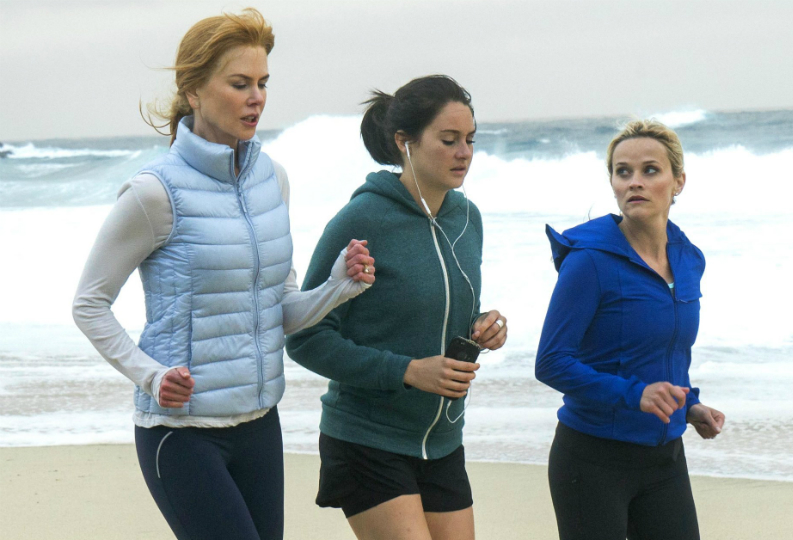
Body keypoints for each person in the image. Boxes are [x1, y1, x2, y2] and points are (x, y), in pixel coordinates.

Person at [72, 9, 375, 540]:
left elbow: (280, 311)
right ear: (193, 91)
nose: (257, 98)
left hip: (260, 424)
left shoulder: (272, 179)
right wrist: (150, 375)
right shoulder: (154, 192)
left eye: (263, 83)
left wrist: (336, 287)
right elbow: (89, 303)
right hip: (182, 433)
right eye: (240, 84)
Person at [285, 75, 508, 540]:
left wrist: (483, 327)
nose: (464, 153)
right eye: (449, 140)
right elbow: (305, 336)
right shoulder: (363, 218)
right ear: (405, 142)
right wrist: (407, 371)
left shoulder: (467, 218)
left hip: (442, 441)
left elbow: (438, 310)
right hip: (366, 439)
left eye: (470, 140)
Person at [535, 119, 725, 540]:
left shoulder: (689, 259)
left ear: (678, 182)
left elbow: (667, 353)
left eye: (650, 170)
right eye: (623, 172)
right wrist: (634, 394)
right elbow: (551, 362)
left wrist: (690, 405)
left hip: (665, 460)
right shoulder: (589, 262)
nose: (634, 181)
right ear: (613, 184)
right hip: (592, 461)